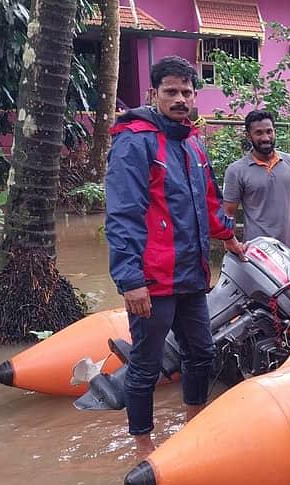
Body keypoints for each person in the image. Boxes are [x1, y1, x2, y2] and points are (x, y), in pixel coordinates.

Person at [104, 56, 245, 456]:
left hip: (191, 275)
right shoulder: (135, 141)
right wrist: (130, 281)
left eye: (186, 91)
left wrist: (230, 239)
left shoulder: (191, 143)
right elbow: (122, 215)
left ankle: (193, 424)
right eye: (171, 92)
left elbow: (208, 203)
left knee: (201, 351)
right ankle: (142, 446)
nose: (180, 99)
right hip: (152, 278)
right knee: (146, 364)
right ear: (154, 94)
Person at [223, 109, 290, 258]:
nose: (266, 138)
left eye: (269, 131)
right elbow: (229, 213)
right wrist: (231, 245)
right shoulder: (236, 171)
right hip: (257, 252)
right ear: (248, 136)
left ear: (275, 132)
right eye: (259, 133)